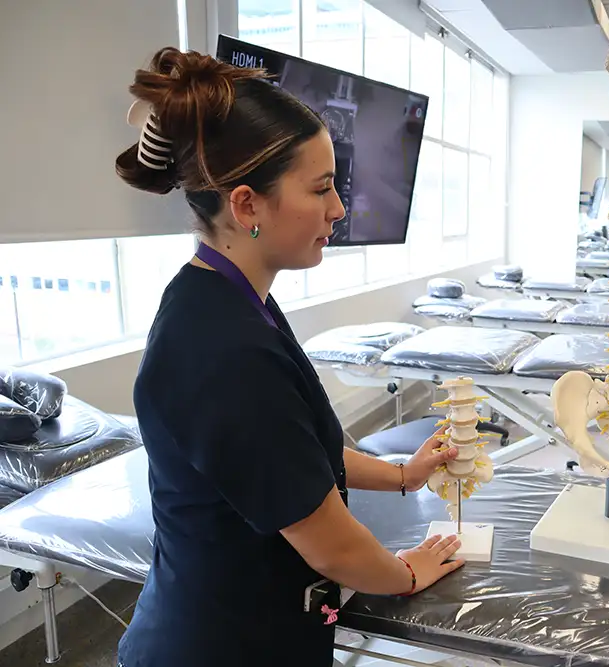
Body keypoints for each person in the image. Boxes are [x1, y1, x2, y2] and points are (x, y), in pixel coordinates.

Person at [114, 48, 465, 667]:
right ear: (247, 205)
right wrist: (407, 572)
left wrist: (403, 476)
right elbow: (335, 549)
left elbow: (296, 455)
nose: (339, 209)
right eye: (322, 188)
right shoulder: (223, 349)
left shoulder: (225, 297)